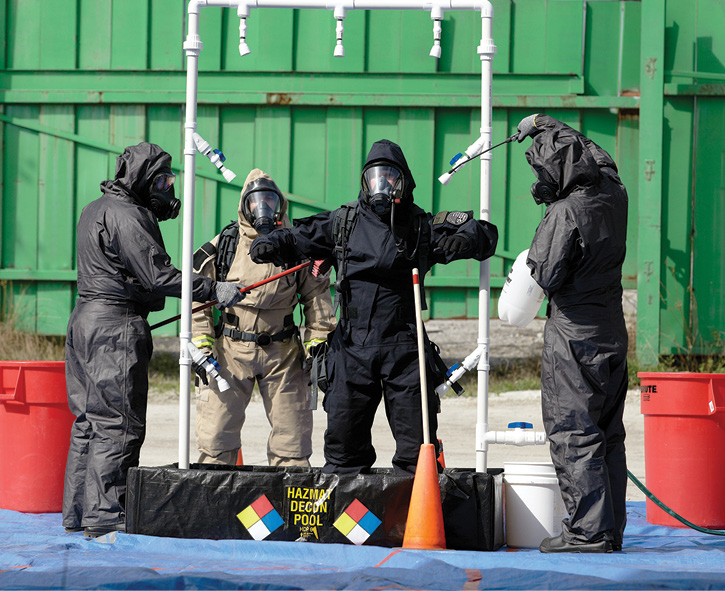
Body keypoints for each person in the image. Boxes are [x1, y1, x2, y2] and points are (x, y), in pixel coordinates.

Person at [249, 139, 498, 475]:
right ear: (365, 181)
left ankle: (412, 520)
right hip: (351, 347)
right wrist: (270, 241)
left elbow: (484, 234)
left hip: (405, 348)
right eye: (375, 176)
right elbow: (298, 236)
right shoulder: (343, 222)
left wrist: (465, 239)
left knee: (418, 448)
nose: (382, 183)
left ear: (403, 181)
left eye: (390, 176)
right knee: (343, 447)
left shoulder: (420, 225)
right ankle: (346, 522)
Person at [63, 142, 246, 538]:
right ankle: (106, 515)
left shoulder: (95, 208)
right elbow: (158, 275)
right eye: (163, 179)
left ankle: (78, 513)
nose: (168, 188)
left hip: (84, 322)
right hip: (114, 327)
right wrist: (215, 289)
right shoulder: (129, 215)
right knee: (119, 423)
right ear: (144, 180)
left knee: (89, 422)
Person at [515, 114, 629, 553]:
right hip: (612, 333)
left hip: (573, 338)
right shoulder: (613, 193)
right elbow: (594, 155)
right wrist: (546, 123)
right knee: (608, 434)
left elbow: (543, 274)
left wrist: (548, 213)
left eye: (543, 173)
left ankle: (587, 533)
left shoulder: (565, 214)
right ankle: (609, 529)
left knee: (573, 432)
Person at [190, 168, 336, 467]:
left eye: (269, 201)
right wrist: (201, 348)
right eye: (255, 202)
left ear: (280, 205)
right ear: (244, 205)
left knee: (292, 444)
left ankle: (292, 506)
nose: (262, 209)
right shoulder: (222, 247)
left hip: (283, 354)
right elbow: (198, 298)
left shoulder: (296, 247)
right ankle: (213, 507)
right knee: (216, 441)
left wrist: (318, 343)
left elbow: (317, 298)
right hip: (228, 353)